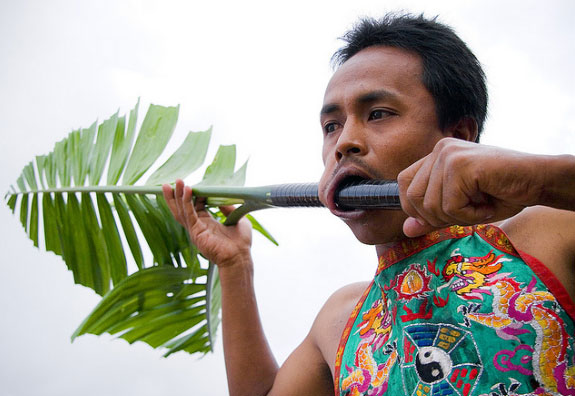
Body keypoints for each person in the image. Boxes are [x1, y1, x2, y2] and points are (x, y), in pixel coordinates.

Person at [163, 13, 575, 396]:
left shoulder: (545, 235)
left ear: (460, 135)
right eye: (331, 126)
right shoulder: (341, 318)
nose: (344, 143)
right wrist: (235, 266)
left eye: (378, 113)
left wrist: (535, 177)